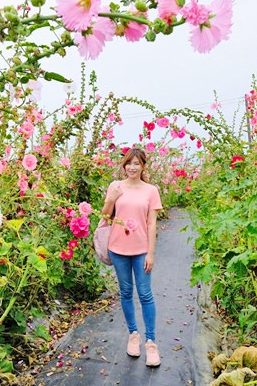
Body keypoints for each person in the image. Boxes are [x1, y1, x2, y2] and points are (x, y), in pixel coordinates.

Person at [101, 147, 163, 367]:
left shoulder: (151, 190)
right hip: (117, 249)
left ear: (143, 166)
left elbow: (152, 223)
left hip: (141, 252)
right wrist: (111, 198)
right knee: (126, 292)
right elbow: (105, 215)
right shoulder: (115, 186)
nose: (132, 167)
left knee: (145, 294)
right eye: (129, 163)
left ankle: (151, 343)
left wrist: (151, 253)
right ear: (124, 165)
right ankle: (133, 335)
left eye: (137, 163)